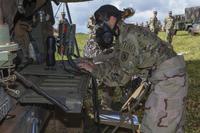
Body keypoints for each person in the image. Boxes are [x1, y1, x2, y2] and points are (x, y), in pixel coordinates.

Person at [79, 5, 188, 133]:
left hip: (169, 80)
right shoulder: (123, 34)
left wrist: (94, 71)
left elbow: (122, 77)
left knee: (156, 127)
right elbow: (116, 60)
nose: (100, 28)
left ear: (113, 19)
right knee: (171, 125)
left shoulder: (128, 37)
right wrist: (95, 65)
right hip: (168, 75)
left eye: (102, 23)